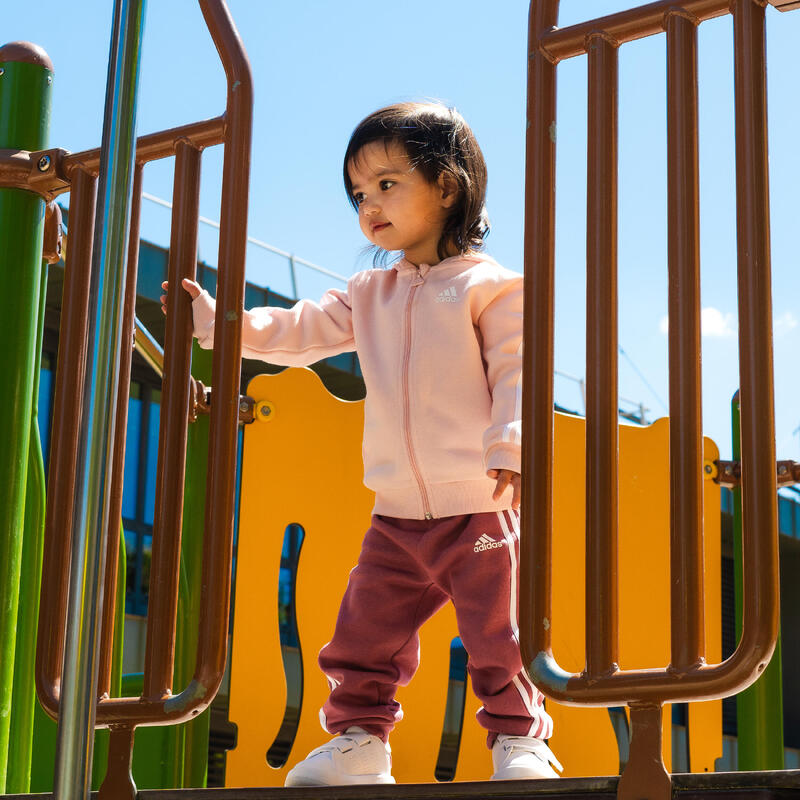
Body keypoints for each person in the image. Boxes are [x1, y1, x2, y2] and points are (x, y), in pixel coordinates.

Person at [161, 102, 560, 786]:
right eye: (357, 192)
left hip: (479, 503)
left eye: (386, 183)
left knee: (500, 634)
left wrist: (512, 442)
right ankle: (359, 742)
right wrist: (216, 325)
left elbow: (518, 369)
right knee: (363, 636)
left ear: (448, 185)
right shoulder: (368, 293)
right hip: (397, 516)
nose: (368, 203)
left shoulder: (491, 288)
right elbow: (298, 331)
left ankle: (520, 743)